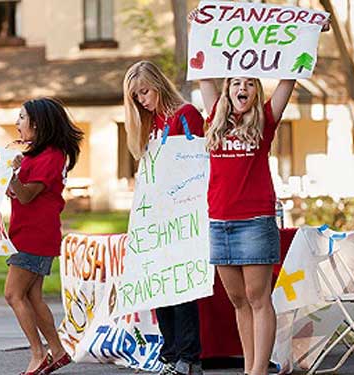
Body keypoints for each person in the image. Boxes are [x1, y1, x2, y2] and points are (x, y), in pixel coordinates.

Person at [189, 11, 330, 375]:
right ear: (227, 90)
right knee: (237, 300)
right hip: (219, 221)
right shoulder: (213, 122)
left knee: (257, 298)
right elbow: (203, 65)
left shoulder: (265, 120)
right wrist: (200, 25)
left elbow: (290, 75)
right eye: (236, 82)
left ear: (256, 91)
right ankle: (251, 367)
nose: (242, 88)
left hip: (254, 220)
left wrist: (311, 33)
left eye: (250, 83)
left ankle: (257, 372)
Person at [123, 60, 205, 375]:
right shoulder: (151, 123)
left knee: (180, 288)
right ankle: (170, 355)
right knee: (160, 288)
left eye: (144, 92)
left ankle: (189, 357)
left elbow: (194, 163)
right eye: (136, 97)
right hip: (156, 217)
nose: (142, 100)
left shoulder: (186, 115)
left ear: (158, 84)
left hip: (183, 214)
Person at [5, 97, 83, 375]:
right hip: (29, 233)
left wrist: (9, 176)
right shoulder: (38, 154)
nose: (17, 124)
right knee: (33, 297)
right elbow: (22, 193)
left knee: (13, 294)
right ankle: (58, 352)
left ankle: (38, 354)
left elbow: (26, 195)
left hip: (34, 236)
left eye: (22, 118)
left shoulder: (50, 156)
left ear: (37, 124)